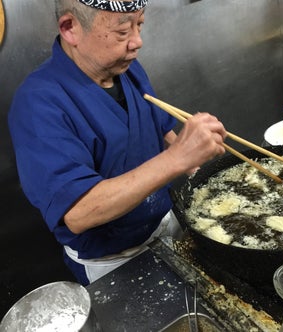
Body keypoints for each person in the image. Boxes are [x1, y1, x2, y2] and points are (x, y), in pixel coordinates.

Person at [8, 0, 227, 286]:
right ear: (70, 28)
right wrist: (177, 158)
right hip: (112, 263)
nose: (137, 42)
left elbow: (158, 125)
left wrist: (195, 162)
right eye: (123, 32)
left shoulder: (125, 68)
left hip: (167, 227)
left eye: (140, 25)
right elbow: (78, 212)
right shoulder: (38, 103)